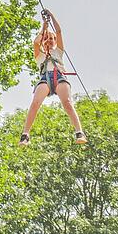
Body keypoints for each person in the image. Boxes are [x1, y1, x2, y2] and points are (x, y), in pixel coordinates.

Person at [19, 9, 87, 146]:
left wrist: (51, 16)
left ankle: (79, 132)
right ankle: (25, 134)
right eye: (47, 39)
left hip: (59, 77)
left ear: (55, 41)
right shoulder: (40, 56)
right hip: (45, 79)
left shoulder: (58, 52)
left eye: (51, 39)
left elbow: (59, 32)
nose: (49, 41)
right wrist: (44, 27)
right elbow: (36, 42)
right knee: (35, 103)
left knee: (67, 102)